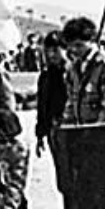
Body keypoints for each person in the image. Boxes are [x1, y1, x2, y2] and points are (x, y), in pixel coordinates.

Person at [60, 17, 105, 125]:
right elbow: (71, 104)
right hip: (81, 135)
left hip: (101, 135)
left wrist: (96, 135)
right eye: (70, 46)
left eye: (79, 45)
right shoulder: (73, 69)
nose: (74, 50)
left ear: (92, 41)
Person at [34, 32, 68, 191]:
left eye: (56, 50)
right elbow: (42, 105)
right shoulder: (46, 76)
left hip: (72, 129)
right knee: (62, 179)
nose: (51, 55)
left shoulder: (73, 73)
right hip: (54, 131)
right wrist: (40, 133)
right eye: (48, 51)